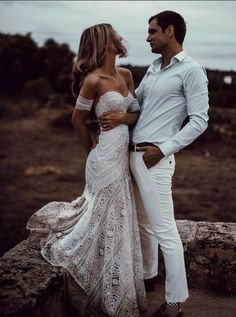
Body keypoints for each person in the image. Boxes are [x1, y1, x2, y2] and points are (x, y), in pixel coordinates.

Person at [25, 23, 146, 317]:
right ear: (106, 42)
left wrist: (121, 118)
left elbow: (136, 113)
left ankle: (117, 283)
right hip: (104, 158)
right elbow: (77, 120)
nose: (121, 36)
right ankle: (101, 287)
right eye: (115, 34)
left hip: (124, 155)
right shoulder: (92, 80)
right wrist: (91, 148)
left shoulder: (127, 74)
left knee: (119, 218)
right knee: (105, 216)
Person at [101, 11, 209, 317]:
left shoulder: (191, 70)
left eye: (152, 31)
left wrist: (163, 149)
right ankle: (148, 277)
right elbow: (138, 105)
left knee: (165, 231)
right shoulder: (153, 68)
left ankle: (175, 303)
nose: (147, 37)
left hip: (155, 159)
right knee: (143, 225)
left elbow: (199, 121)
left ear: (170, 31)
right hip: (132, 155)